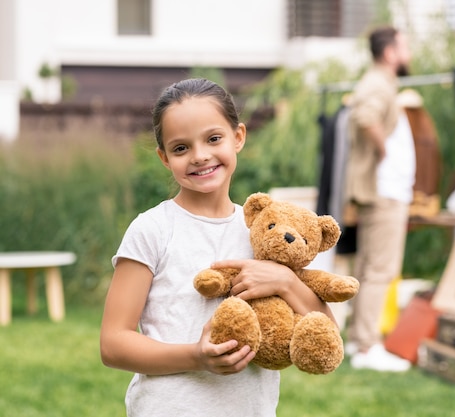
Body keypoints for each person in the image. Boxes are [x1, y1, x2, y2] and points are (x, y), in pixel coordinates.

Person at [100, 78, 337, 416]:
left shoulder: (264, 233)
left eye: (213, 139)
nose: (200, 156)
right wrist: (196, 357)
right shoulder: (152, 230)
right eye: (181, 148)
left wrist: (285, 281)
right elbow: (113, 344)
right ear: (164, 157)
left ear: (238, 136)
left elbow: (328, 332)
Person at [343, 26, 414, 372]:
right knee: (379, 269)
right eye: (405, 46)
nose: (409, 53)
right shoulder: (377, 83)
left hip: (382, 191)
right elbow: (364, 116)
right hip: (384, 191)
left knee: (369, 267)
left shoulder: (380, 82)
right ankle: (368, 347)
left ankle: (359, 341)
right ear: (390, 52)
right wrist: (384, 150)